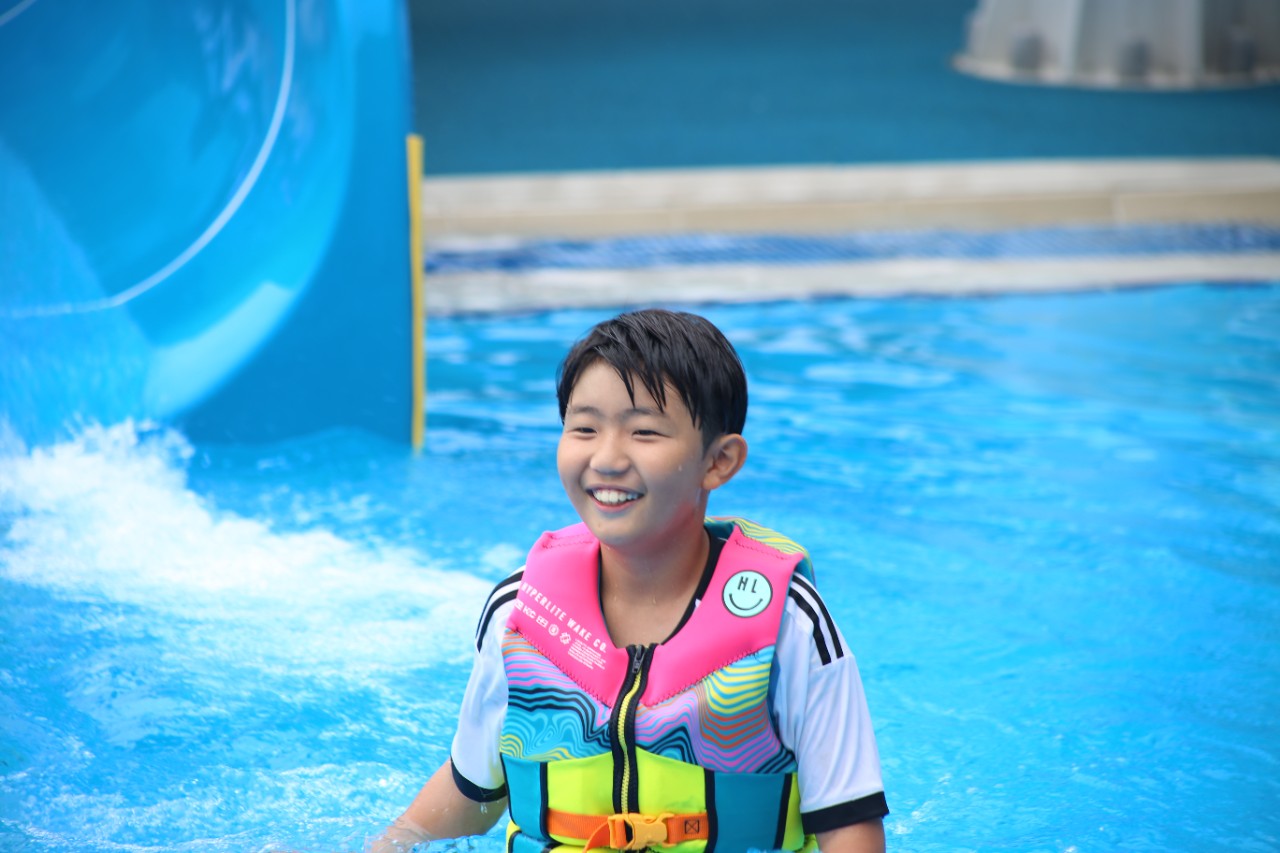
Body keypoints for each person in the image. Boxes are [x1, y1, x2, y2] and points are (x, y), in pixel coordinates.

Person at [375, 309, 888, 853]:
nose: (607, 458)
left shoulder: (788, 624)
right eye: (584, 428)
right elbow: (466, 796)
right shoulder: (520, 615)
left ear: (719, 461)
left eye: (644, 432)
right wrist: (391, 843)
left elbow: (849, 827)